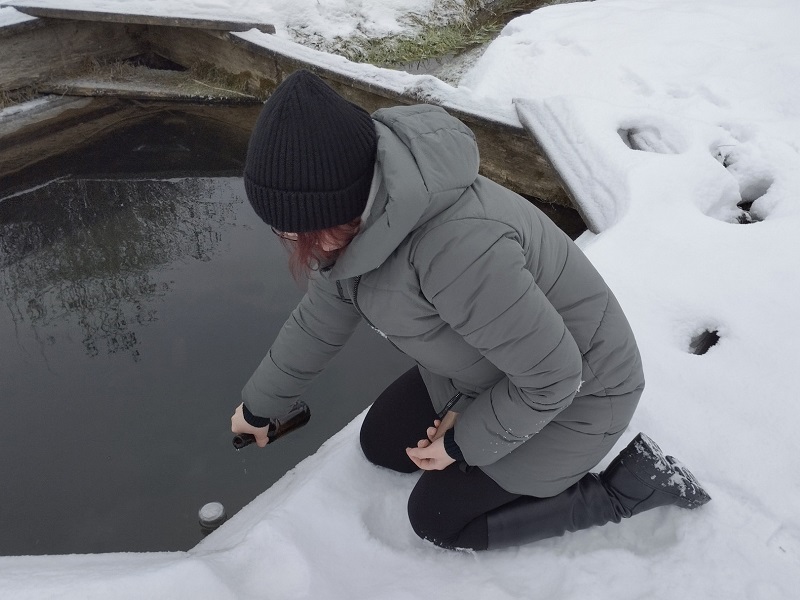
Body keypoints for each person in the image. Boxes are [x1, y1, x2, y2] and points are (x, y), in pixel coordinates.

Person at [230, 69, 710, 551]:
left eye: (297, 231)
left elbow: (555, 377)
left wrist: (463, 442)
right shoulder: (355, 231)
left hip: (582, 394)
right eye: (283, 231)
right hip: (489, 370)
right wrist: (261, 405)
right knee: (381, 443)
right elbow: (320, 318)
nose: (292, 243)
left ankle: (625, 492)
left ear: (344, 205)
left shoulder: (458, 249)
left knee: (438, 518)